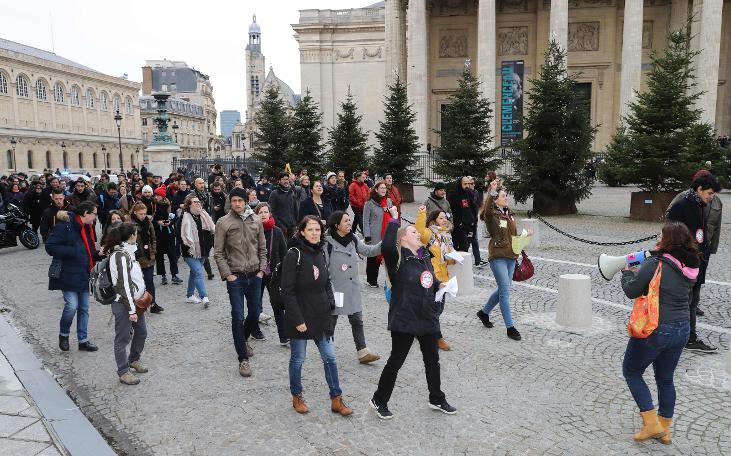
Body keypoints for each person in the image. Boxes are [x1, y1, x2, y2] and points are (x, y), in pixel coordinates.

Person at [370, 212, 457, 419]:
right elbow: (387, 246)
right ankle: (378, 399)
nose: (418, 234)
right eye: (413, 232)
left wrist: (441, 285)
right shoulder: (397, 258)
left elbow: (430, 279)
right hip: (405, 318)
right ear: (403, 238)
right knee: (396, 361)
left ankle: (436, 398)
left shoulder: (424, 255)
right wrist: (393, 219)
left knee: (432, 360)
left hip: (427, 316)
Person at [620, 222, 700, 444]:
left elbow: (632, 290)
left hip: (656, 327)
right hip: (682, 328)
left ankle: (652, 423)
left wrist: (627, 274)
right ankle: (665, 428)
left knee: (632, 371)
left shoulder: (656, 263)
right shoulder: (692, 265)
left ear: (667, 240)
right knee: (665, 378)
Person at [282, 215, 352, 416]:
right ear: (302, 231)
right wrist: (298, 320)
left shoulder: (320, 252)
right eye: (310, 229)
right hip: (301, 316)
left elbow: (326, 281)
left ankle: (336, 399)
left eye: (318, 230)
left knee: (330, 357)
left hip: (321, 314)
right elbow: (288, 291)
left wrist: (330, 303)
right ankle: (297, 396)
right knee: (298, 359)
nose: (315, 233)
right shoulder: (293, 254)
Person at [214, 188, 267, 377]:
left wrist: (262, 270)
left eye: (240, 200)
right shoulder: (223, 222)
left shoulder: (256, 220)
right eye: (234, 200)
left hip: (254, 275)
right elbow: (218, 253)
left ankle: (243, 339)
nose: (237, 203)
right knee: (237, 316)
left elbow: (262, 248)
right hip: (235, 276)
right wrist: (228, 275)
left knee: (254, 313)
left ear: (246, 201)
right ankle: (242, 359)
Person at [666, 173, 721, 352]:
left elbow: (702, 234)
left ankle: (687, 336)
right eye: (710, 193)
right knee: (686, 302)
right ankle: (687, 338)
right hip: (685, 265)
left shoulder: (698, 205)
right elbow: (671, 236)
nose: (711, 197)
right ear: (699, 189)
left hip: (697, 263)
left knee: (692, 301)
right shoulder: (682, 206)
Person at [325, 211, 382, 363]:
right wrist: (329, 289)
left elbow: (368, 251)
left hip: (352, 287)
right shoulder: (326, 242)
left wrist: (386, 242)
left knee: (357, 320)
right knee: (331, 321)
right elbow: (323, 268)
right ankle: (327, 349)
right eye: (346, 221)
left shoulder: (353, 239)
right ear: (337, 225)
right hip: (336, 289)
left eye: (350, 220)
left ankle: (362, 351)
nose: (349, 223)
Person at [45, 201, 99, 352]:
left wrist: (98, 255)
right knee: (71, 306)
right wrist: (73, 251)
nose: (95, 217)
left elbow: (89, 249)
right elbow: (50, 246)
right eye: (94, 213)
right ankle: (64, 335)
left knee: (84, 308)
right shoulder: (65, 225)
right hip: (67, 273)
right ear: (85, 213)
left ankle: (83, 340)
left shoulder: (87, 227)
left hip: (83, 272)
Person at [104, 222, 150, 386]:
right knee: (122, 339)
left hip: (135, 303)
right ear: (132, 235)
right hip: (124, 304)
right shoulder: (120, 256)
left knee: (142, 333)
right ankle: (123, 371)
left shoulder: (129, 252)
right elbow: (123, 285)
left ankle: (134, 359)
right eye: (136, 233)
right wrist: (131, 309)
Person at [476, 181, 522, 341]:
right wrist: (492, 192)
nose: (506, 197)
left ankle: (484, 313)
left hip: (511, 256)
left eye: (506, 195)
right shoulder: (492, 215)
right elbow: (487, 210)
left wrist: (524, 237)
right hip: (497, 256)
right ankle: (510, 328)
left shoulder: (509, 214)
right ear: (496, 200)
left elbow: (512, 236)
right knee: (505, 293)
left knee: (504, 289)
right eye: (503, 196)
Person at [415, 205, 456, 351]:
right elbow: (419, 231)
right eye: (441, 218)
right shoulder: (429, 234)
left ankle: (419, 327)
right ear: (433, 220)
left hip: (443, 277)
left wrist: (453, 259)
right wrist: (421, 213)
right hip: (432, 277)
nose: (445, 220)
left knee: (438, 308)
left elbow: (447, 257)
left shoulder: (446, 236)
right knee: (435, 309)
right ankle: (437, 337)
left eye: (445, 217)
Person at [180, 193, 215, 306]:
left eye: (198, 202)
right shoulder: (184, 217)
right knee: (199, 272)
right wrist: (188, 246)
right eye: (194, 202)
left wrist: (208, 245)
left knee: (194, 273)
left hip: (203, 250)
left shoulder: (204, 215)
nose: (197, 204)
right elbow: (180, 235)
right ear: (189, 205)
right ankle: (204, 297)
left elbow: (211, 231)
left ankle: (190, 295)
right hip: (190, 251)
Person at [131, 203, 163, 314]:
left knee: (149, 281)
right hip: (136, 257)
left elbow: (153, 237)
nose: (143, 216)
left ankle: (153, 303)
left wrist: (153, 251)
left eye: (144, 213)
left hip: (148, 256)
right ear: (135, 212)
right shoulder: (130, 224)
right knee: (138, 282)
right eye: (140, 214)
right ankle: (138, 304)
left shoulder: (148, 222)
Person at [363, 181, 394, 288]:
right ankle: (371, 279)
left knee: (388, 258)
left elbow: (394, 216)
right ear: (376, 189)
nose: (384, 190)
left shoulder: (388, 201)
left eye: (385, 188)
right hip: (374, 234)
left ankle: (391, 280)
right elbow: (365, 220)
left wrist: (389, 210)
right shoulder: (369, 203)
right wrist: (367, 235)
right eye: (381, 188)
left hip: (386, 233)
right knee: (373, 257)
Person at [152, 187, 181, 286]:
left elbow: (175, 217)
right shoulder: (153, 205)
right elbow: (151, 219)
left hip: (169, 233)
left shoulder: (169, 204)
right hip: (158, 233)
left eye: (158, 195)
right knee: (159, 255)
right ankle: (163, 276)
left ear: (162, 196)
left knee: (172, 255)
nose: (156, 197)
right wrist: (158, 222)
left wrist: (170, 222)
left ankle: (174, 275)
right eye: (155, 195)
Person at [448, 177, 478, 255]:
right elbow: (452, 211)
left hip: (470, 225)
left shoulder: (470, 193)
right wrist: (459, 223)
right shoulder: (453, 195)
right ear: (460, 184)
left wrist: (474, 221)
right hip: (459, 227)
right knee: (461, 246)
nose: (467, 186)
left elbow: (473, 209)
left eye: (469, 184)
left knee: (467, 245)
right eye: (465, 184)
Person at [269, 172, 299, 240]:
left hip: (292, 226)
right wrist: (279, 224)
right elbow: (271, 211)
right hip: (281, 227)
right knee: (283, 248)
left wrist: (296, 223)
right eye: (283, 179)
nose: (286, 181)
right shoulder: (274, 193)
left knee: (292, 247)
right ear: (279, 181)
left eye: (287, 179)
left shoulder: (291, 192)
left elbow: (295, 209)